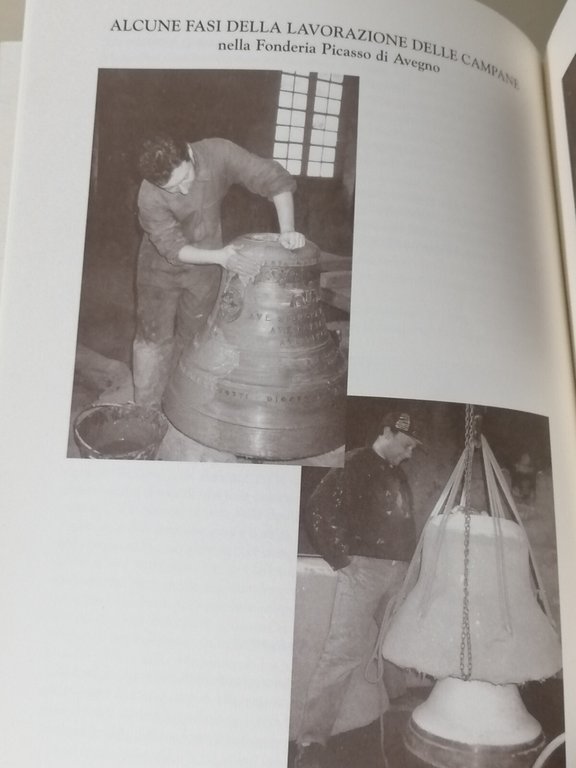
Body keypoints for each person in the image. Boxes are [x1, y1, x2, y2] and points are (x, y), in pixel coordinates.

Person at [134, 135, 305, 406]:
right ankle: (145, 410)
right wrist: (222, 257)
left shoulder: (219, 153)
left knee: (195, 337)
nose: (184, 190)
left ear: (190, 154)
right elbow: (171, 247)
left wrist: (287, 230)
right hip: (159, 268)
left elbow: (274, 178)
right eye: (173, 188)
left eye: (185, 177)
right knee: (153, 340)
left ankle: (181, 405)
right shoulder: (148, 194)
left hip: (206, 267)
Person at [295, 411, 423, 768]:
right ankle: (311, 743)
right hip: (364, 572)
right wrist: (344, 562)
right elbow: (318, 510)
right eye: (407, 444)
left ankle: (398, 715)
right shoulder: (353, 464)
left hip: (396, 574)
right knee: (341, 655)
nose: (410, 454)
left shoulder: (397, 475)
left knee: (397, 644)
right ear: (387, 432)